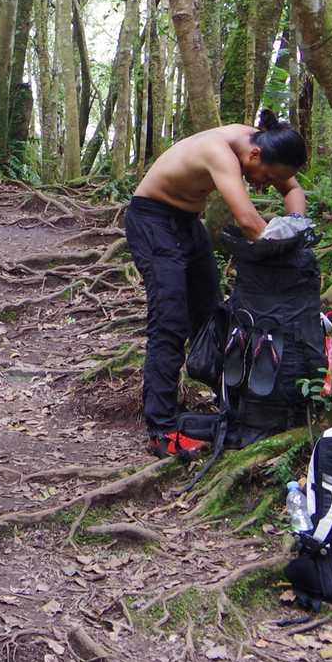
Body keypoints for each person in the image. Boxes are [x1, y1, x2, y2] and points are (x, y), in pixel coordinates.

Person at [127, 110, 308, 457]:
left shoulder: (264, 143)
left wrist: (297, 222)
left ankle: (231, 405)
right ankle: (161, 430)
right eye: (267, 177)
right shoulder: (219, 151)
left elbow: (293, 188)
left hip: (187, 223)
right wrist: (286, 255)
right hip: (152, 221)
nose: (265, 185)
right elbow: (248, 220)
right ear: (254, 156)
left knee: (212, 315)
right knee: (170, 320)